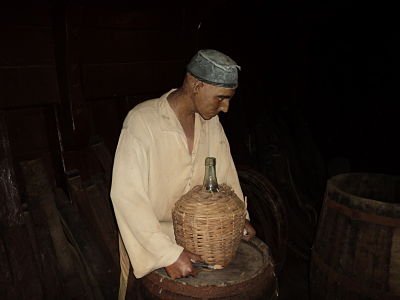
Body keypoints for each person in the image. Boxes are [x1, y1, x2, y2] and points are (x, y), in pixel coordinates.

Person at [110, 49, 256, 299]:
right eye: (221, 98)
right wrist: (167, 253)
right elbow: (127, 197)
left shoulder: (211, 125)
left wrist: (239, 217)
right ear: (196, 84)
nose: (226, 108)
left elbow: (225, 177)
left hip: (200, 238)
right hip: (149, 241)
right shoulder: (142, 122)